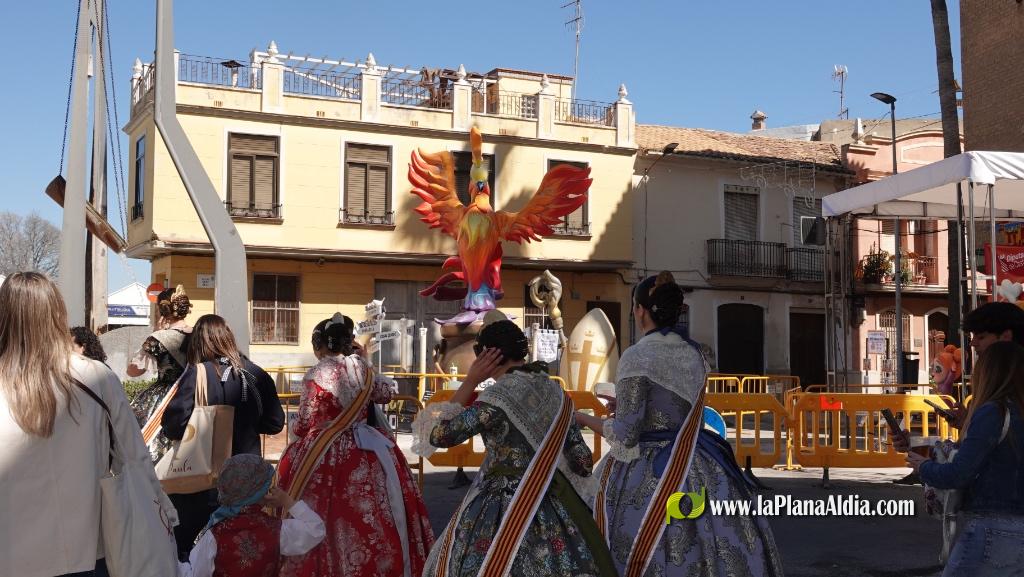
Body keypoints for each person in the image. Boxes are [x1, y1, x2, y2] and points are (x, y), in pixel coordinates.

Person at [575, 272, 783, 577]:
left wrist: (581, 418)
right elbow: (673, 407)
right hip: (700, 461)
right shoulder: (696, 354)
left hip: (648, 470)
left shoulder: (637, 356)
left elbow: (626, 436)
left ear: (640, 310)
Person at [0, 272, 177, 577]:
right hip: (86, 547)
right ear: (57, 314)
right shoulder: (96, 377)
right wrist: (164, 511)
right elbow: (134, 455)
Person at [413, 320, 616, 577]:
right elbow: (583, 462)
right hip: (555, 503)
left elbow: (439, 435)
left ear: (487, 356)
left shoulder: (496, 399)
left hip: (503, 507)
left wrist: (471, 381)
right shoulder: (558, 393)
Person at [276, 313, 434, 577]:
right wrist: (364, 361)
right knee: (381, 509)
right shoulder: (362, 369)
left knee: (321, 509)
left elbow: (304, 423)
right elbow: (386, 393)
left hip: (323, 450)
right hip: (369, 449)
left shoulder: (317, 374)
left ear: (321, 345)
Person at [162, 314, 285, 561]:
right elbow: (275, 424)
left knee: (196, 554)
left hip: (200, 484)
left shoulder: (196, 374)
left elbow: (173, 426)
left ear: (198, 342)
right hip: (248, 482)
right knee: (243, 553)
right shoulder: (255, 373)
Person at [907, 340, 1024, 576]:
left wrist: (924, 467)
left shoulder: (993, 411)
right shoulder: (1017, 411)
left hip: (991, 528)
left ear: (989, 373)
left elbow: (959, 473)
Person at [177, 454, 325, 577]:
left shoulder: (214, 533)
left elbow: (196, 574)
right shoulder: (277, 530)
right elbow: (315, 529)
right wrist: (288, 502)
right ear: (263, 493)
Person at [127, 284, 194, 462]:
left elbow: (133, 371)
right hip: (195, 394)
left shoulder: (158, 338)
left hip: (165, 398)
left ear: (162, 311)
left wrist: (156, 333)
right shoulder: (199, 335)